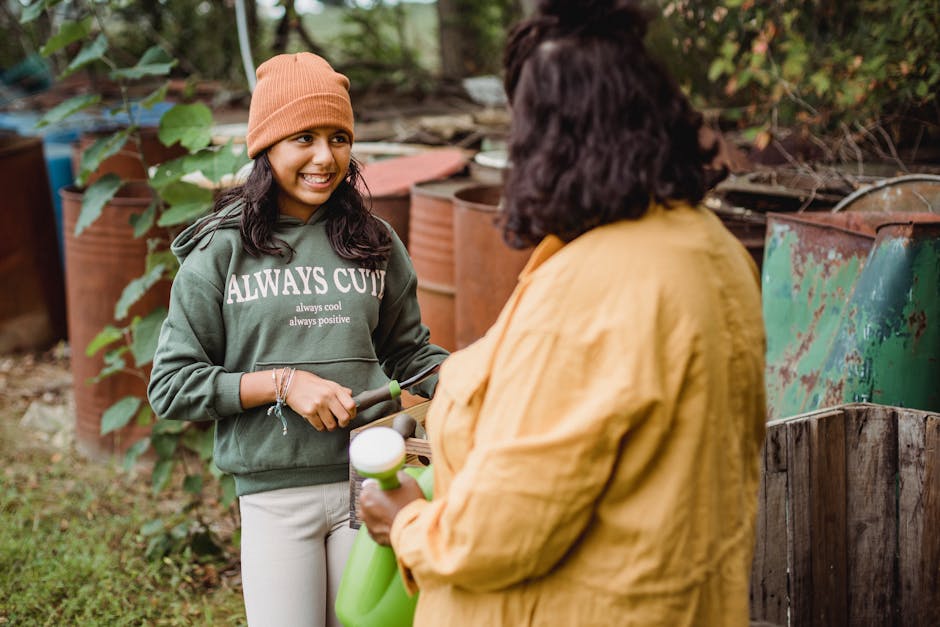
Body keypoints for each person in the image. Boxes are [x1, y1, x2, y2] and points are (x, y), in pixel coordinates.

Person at [358, 1, 767, 625]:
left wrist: (410, 524)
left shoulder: (594, 289)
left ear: (552, 143)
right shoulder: (715, 248)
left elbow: (508, 526)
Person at [147, 52, 448, 627]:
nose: (323, 157)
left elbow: (409, 355)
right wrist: (282, 384)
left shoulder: (374, 241)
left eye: (338, 137)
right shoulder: (220, 251)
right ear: (266, 147)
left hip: (370, 484)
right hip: (275, 495)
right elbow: (172, 385)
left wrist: (480, 377)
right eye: (302, 137)